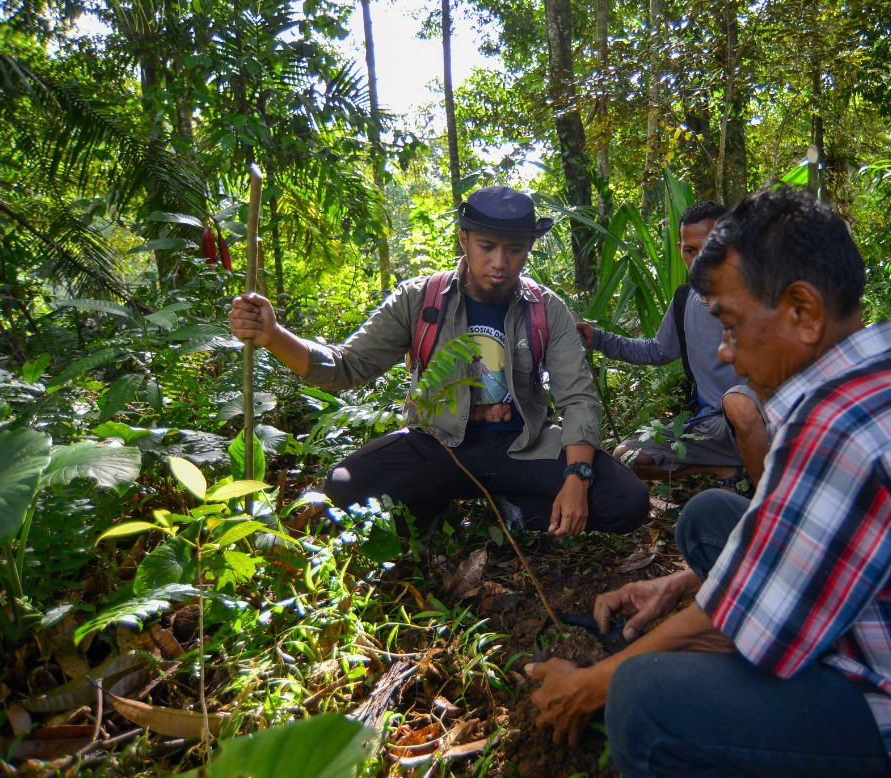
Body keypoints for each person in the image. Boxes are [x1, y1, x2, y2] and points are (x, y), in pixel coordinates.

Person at [527, 187, 891, 778]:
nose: (724, 351)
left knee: (642, 703)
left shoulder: (839, 428)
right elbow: (792, 541)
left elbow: (747, 603)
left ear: (802, 312)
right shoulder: (866, 388)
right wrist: (678, 586)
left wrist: (592, 683)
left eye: (731, 325)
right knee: (713, 520)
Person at [228, 186, 649, 538]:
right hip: (439, 444)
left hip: (522, 446)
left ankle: (513, 510)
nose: (500, 263)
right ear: (464, 240)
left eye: (515, 250)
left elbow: (577, 397)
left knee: (625, 503)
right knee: (344, 489)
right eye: (487, 247)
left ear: (528, 250)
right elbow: (346, 366)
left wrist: (576, 477)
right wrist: (272, 336)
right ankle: (443, 505)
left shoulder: (546, 308)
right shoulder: (419, 299)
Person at [575, 200, 769, 486]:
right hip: (710, 425)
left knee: (742, 408)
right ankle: (725, 468)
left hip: (761, 423)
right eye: (691, 250)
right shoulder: (684, 300)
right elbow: (658, 351)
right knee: (626, 454)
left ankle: (764, 493)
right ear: (681, 251)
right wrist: (600, 340)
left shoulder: (762, 296)